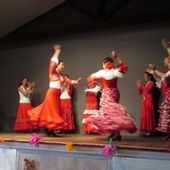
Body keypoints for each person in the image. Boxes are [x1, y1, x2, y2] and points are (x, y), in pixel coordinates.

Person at [83, 51, 137, 141]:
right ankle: (114, 133)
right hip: (113, 92)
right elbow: (123, 68)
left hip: (108, 92)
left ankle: (116, 133)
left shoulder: (102, 72)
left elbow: (90, 78)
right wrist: (117, 57)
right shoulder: (114, 72)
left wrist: (94, 82)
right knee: (111, 112)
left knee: (111, 112)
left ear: (104, 64)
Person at [28, 45, 81, 137]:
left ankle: (50, 130)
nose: (63, 66)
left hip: (57, 96)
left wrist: (75, 81)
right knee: (51, 112)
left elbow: (69, 81)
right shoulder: (52, 72)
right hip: (51, 94)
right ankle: (49, 130)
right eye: (62, 65)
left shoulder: (61, 76)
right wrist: (57, 51)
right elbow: (52, 62)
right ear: (58, 65)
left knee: (54, 112)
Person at [157, 75, 170, 140]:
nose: (166, 82)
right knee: (167, 121)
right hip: (167, 106)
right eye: (166, 81)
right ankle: (168, 135)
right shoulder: (167, 88)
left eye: (167, 81)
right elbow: (160, 83)